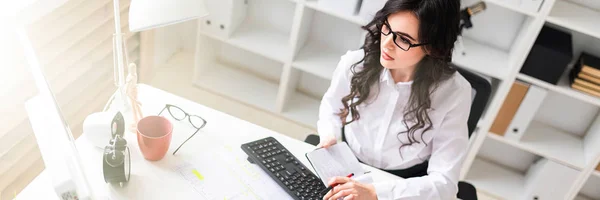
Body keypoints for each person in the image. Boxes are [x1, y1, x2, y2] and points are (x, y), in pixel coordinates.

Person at [318, 0, 471, 199]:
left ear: (433, 48)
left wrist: (376, 193)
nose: (387, 44)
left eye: (404, 40)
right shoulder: (355, 63)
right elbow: (332, 105)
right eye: (387, 28)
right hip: (348, 165)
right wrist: (329, 134)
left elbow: (444, 183)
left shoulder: (455, 92)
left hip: (405, 186)